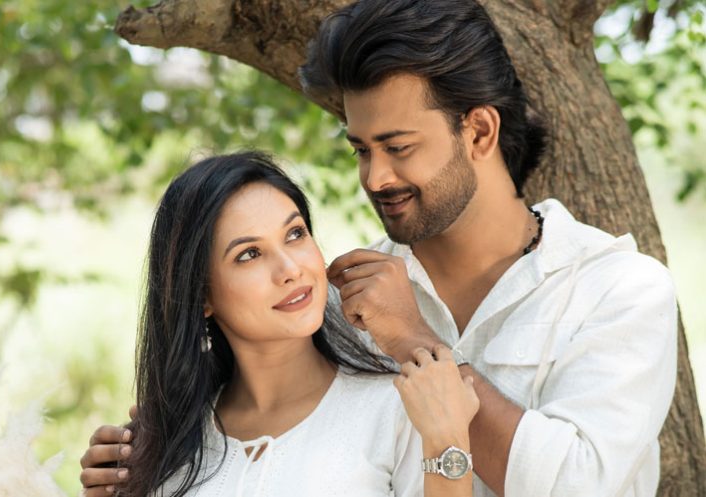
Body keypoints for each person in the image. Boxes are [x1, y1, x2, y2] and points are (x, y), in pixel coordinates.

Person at [82, 0, 678, 496]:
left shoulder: (618, 289)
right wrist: (151, 455)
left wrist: (415, 341)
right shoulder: (336, 301)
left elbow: (581, 485)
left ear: (479, 131)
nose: (375, 177)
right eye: (362, 150)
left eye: (398, 147)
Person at [82, 151, 478, 497]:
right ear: (201, 295)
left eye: (295, 234)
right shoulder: (166, 446)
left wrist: (447, 444)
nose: (290, 269)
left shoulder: (399, 411)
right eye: (249, 254)